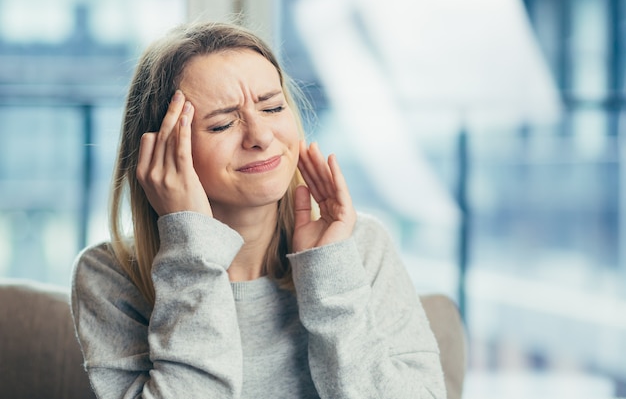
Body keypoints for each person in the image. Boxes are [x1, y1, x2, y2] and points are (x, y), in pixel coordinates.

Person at [70, 21, 446, 399]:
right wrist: (190, 255)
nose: (262, 137)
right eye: (221, 124)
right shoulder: (109, 276)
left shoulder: (360, 245)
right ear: (163, 154)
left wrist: (328, 274)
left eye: (273, 107)